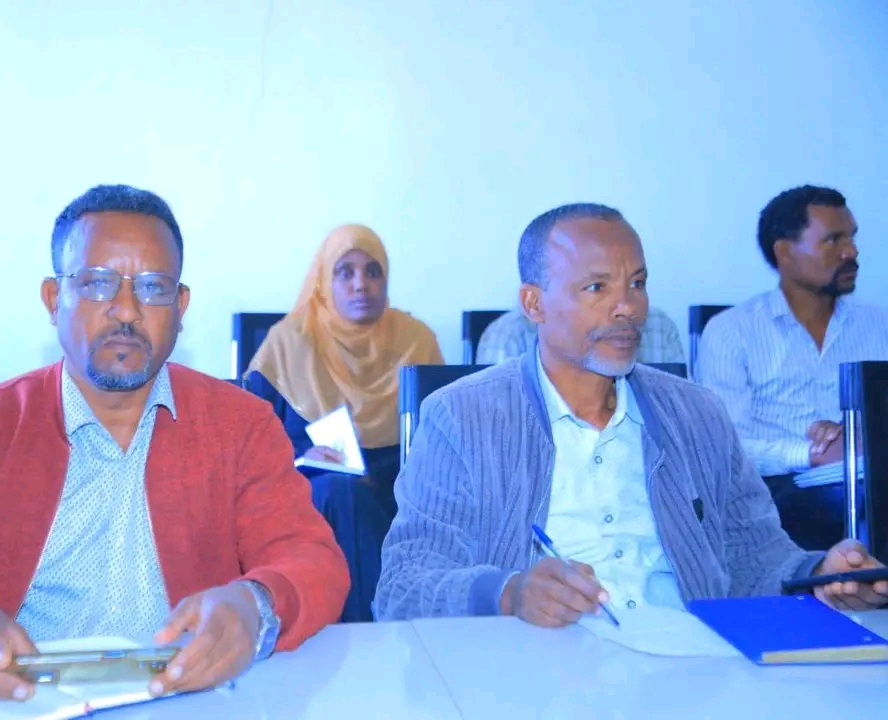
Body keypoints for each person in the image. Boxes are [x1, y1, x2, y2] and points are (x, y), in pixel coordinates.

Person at [0, 184, 349, 701]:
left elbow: (313, 561)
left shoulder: (240, 425)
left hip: (191, 700)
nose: (127, 310)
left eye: (153, 287)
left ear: (180, 306)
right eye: (97, 283)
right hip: (23, 703)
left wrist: (255, 606)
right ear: (54, 299)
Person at [374, 202, 888, 626]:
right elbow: (403, 585)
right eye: (597, 288)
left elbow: (756, 555)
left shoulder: (697, 414)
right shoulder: (462, 417)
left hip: (694, 666)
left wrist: (821, 574)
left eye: (637, 283)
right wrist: (507, 592)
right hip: (536, 670)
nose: (628, 307)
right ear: (534, 303)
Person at [246, 224, 443, 622]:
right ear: (324, 280)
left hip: (398, 494)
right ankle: (375, 627)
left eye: (373, 271)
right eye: (345, 272)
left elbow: (442, 436)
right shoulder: (288, 343)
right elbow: (249, 443)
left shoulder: (415, 340)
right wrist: (301, 458)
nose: (360, 284)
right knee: (342, 493)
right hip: (312, 498)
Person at [697, 185, 888, 550]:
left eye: (851, 237)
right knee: (857, 503)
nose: (851, 251)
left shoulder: (880, 326)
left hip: (869, 477)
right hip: (778, 489)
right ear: (784, 252)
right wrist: (810, 454)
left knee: (868, 495)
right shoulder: (732, 331)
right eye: (833, 240)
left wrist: (855, 434)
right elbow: (722, 447)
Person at [477, 306, 684, 366]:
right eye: (596, 286)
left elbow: (681, 421)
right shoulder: (506, 337)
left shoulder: (659, 326)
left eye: (636, 283)